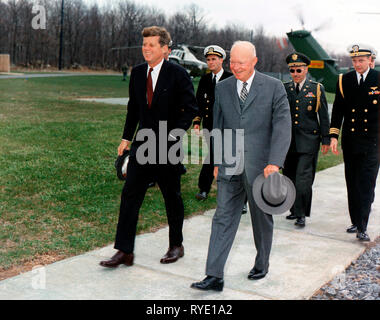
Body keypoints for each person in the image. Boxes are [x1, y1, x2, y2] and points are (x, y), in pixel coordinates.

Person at [191, 41, 291, 291]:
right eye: (232, 62)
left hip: (261, 167)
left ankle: (262, 263)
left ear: (255, 62)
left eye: (241, 63)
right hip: (229, 165)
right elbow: (219, 127)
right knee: (223, 218)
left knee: (261, 218)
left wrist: (275, 162)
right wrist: (215, 161)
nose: (235, 67)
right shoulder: (223, 88)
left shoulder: (273, 87)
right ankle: (214, 275)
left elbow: (282, 126)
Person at [100, 26, 197, 268]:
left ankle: (176, 245)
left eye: (151, 45)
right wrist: (126, 138)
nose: (146, 48)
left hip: (167, 146)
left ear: (165, 49)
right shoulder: (137, 73)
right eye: (144, 44)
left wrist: (174, 135)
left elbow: (191, 110)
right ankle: (124, 251)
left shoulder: (178, 74)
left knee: (171, 196)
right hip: (142, 146)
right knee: (130, 196)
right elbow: (134, 108)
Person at [329, 44, 379, 242]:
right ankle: (356, 221)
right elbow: (338, 111)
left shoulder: (378, 79)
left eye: (361, 60)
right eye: (355, 61)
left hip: (374, 142)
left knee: (367, 184)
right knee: (353, 183)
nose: (357, 64)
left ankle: (362, 227)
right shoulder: (344, 80)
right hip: (351, 142)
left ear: (370, 60)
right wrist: (333, 136)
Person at [282, 52, 330, 227]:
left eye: (299, 70)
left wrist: (326, 139)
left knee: (303, 179)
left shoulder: (316, 88)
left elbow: (323, 116)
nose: (295, 73)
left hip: (309, 141)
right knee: (289, 176)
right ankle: (294, 210)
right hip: (288, 142)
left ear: (306, 69)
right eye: (292, 70)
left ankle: (302, 214)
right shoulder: (284, 88)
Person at [193, 45, 232, 201]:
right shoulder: (205, 79)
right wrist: (197, 121)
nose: (210, 62)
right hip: (210, 124)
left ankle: (205, 188)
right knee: (214, 155)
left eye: (214, 59)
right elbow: (199, 103)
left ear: (221, 60)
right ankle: (205, 188)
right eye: (208, 60)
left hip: (227, 125)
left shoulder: (230, 78)